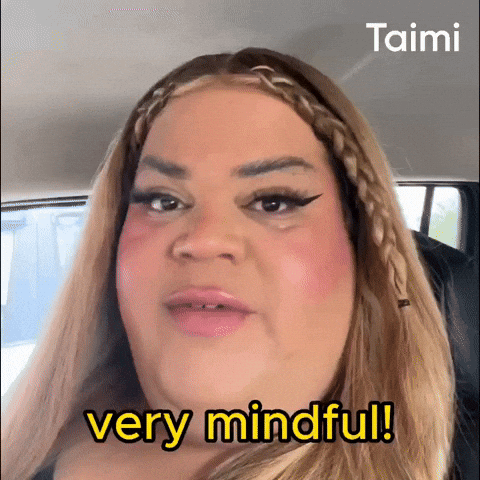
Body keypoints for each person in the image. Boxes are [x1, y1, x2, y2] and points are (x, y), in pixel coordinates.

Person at [1, 48, 456, 480]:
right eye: (163, 201)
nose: (203, 240)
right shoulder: (35, 439)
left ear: (361, 252)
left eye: (273, 202)